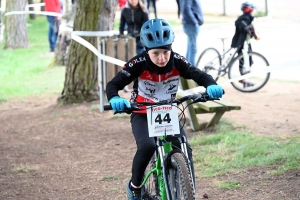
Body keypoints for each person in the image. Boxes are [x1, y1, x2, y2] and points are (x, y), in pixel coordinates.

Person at [106, 18, 223, 200]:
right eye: (156, 53)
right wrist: (114, 98)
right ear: (146, 51)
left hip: (167, 112)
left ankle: (188, 190)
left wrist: (211, 85)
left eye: (166, 52)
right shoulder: (138, 63)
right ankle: (135, 187)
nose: (162, 58)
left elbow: (198, 74)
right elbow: (114, 84)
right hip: (142, 112)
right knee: (147, 146)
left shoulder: (177, 61)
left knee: (184, 146)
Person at [231, 2, 260, 87]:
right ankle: (244, 79)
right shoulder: (243, 19)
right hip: (241, 42)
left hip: (246, 43)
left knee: (249, 60)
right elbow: (242, 27)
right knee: (243, 61)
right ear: (249, 9)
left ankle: (245, 79)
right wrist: (249, 28)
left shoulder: (249, 18)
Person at [179, 0, 204, 67]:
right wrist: (194, 22)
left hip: (190, 24)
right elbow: (186, 9)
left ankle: (187, 69)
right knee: (193, 49)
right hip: (191, 25)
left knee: (190, 48)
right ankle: (192, 72)